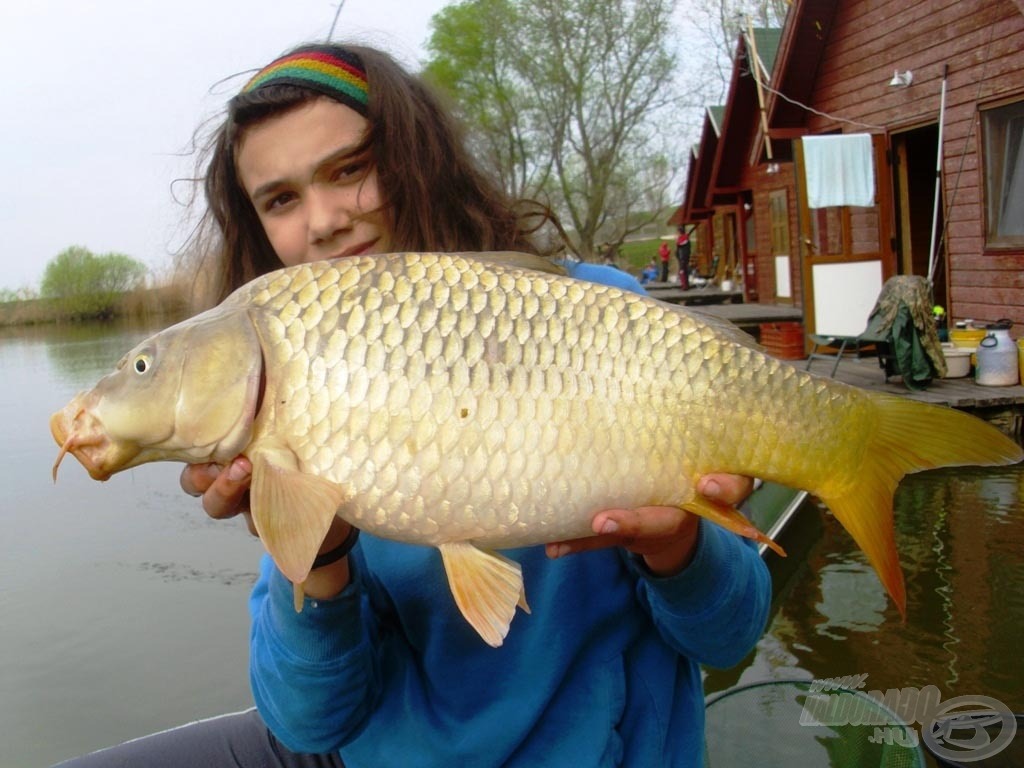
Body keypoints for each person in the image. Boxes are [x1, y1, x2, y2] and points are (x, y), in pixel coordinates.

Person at [55, 42, 770, 768]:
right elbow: (310, 723)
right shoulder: (287, 390)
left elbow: (731, 636)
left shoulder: (598, 311)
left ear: (415, 158)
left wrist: (676, 547)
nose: (325, 220)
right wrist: (323, 554)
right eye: (281, 199)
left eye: (350, 170)